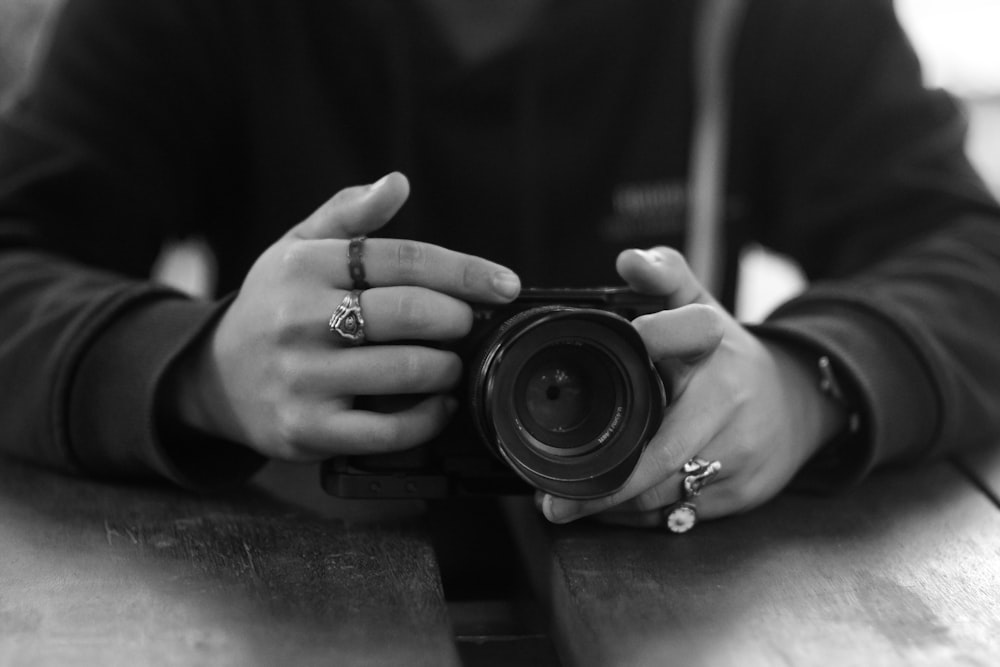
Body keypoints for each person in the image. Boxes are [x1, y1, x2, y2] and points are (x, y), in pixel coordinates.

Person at [1, 0, 999, 533]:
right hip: (297, 580)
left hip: (665, 581)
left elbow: (971, 254)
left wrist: (802, 384)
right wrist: (199, 370)